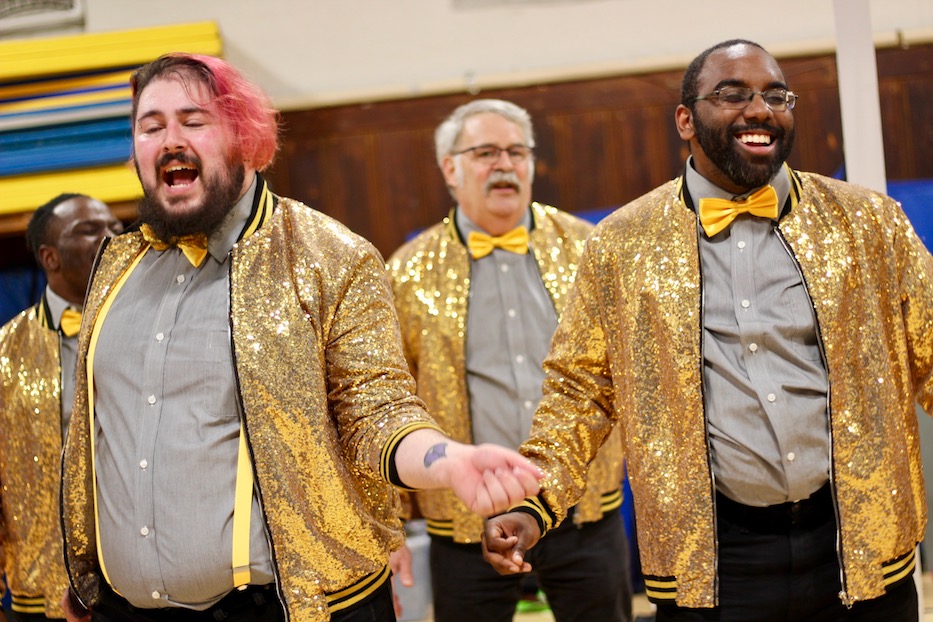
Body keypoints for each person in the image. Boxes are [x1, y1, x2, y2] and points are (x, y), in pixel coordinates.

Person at [58, 53, 542, 622]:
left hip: (290, 606)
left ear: (242, 135)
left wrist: (444, 461)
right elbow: (96, 433)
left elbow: (376, 410)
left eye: (194, 120)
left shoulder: (330, 257)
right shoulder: (115, 266)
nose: (170, 140)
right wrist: (82, 567)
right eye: (151, 125)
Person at [483, 38, 933, 622]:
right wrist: (533, 502)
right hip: (714, 560)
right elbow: (580, 391)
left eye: (776, 95)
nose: (760, 110)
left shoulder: (868, 222)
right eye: (733, 94)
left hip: (860, 545)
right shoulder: (621, 245)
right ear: (686, 120)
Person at [387, 99, 631, 622]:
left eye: (518, 151)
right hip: (466, 523)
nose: (505, 164)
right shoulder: (405, 272)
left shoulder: (590, 249)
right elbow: (387, 401)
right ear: (450, 168)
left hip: (582, 512)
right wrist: (388, 525)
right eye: (486, 152)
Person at [0, 194, 122, 621]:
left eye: (114, 225)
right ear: (49, 257)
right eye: (88, 229)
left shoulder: (154, 333)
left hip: (145, 594)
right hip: (41, 595)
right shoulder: (4, 354)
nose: (110, 237)